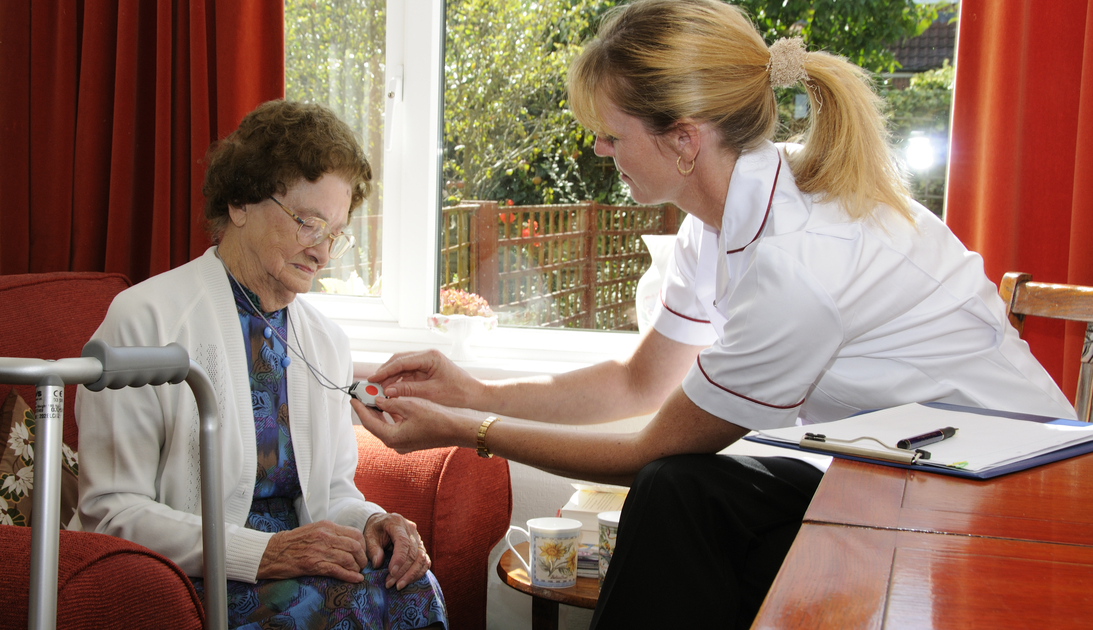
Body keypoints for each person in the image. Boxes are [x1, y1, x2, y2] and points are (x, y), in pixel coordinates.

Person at [352, 1, 1076, 628]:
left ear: (684, 139)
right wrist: (472, 392)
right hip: (894, 479)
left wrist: (464, 431)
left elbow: (647, 448)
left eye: (611, 134)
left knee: (676, 487)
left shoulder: (799, 257)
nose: (601, 151)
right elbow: (641, 385)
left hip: (1012, 500)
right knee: (686, 497)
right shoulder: (721, 218)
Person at [74, 100, 446, 630]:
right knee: (348, 604)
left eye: (335, 233)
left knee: (411, 587)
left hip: (299, 564)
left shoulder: (325, 340)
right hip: (185, 576)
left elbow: (332, 493)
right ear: (241, 201)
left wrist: (373, 521)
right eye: (308, 223)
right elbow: (111, 514)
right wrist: (266, 552)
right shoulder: (145, 319)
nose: (322, 252)